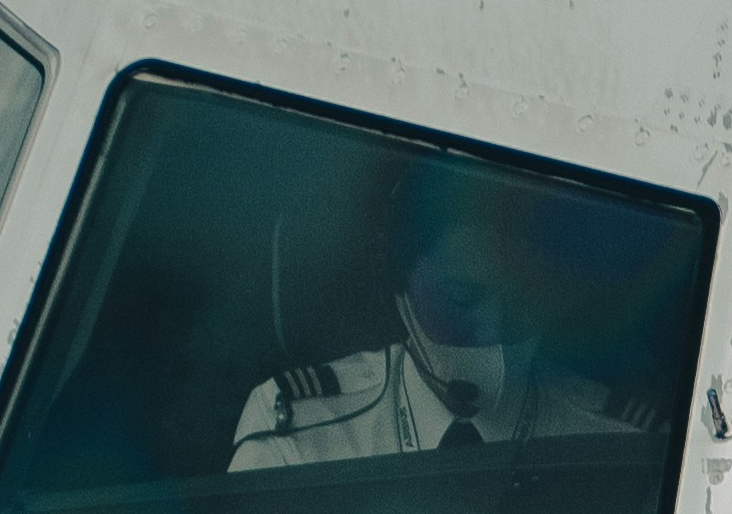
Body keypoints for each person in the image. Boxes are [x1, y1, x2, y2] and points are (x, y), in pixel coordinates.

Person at [230, 174, 667, 473]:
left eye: (520, 303)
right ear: (398, 282)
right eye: (461, 298)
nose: (493, 331)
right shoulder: (300, 433)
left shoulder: (621, 445)